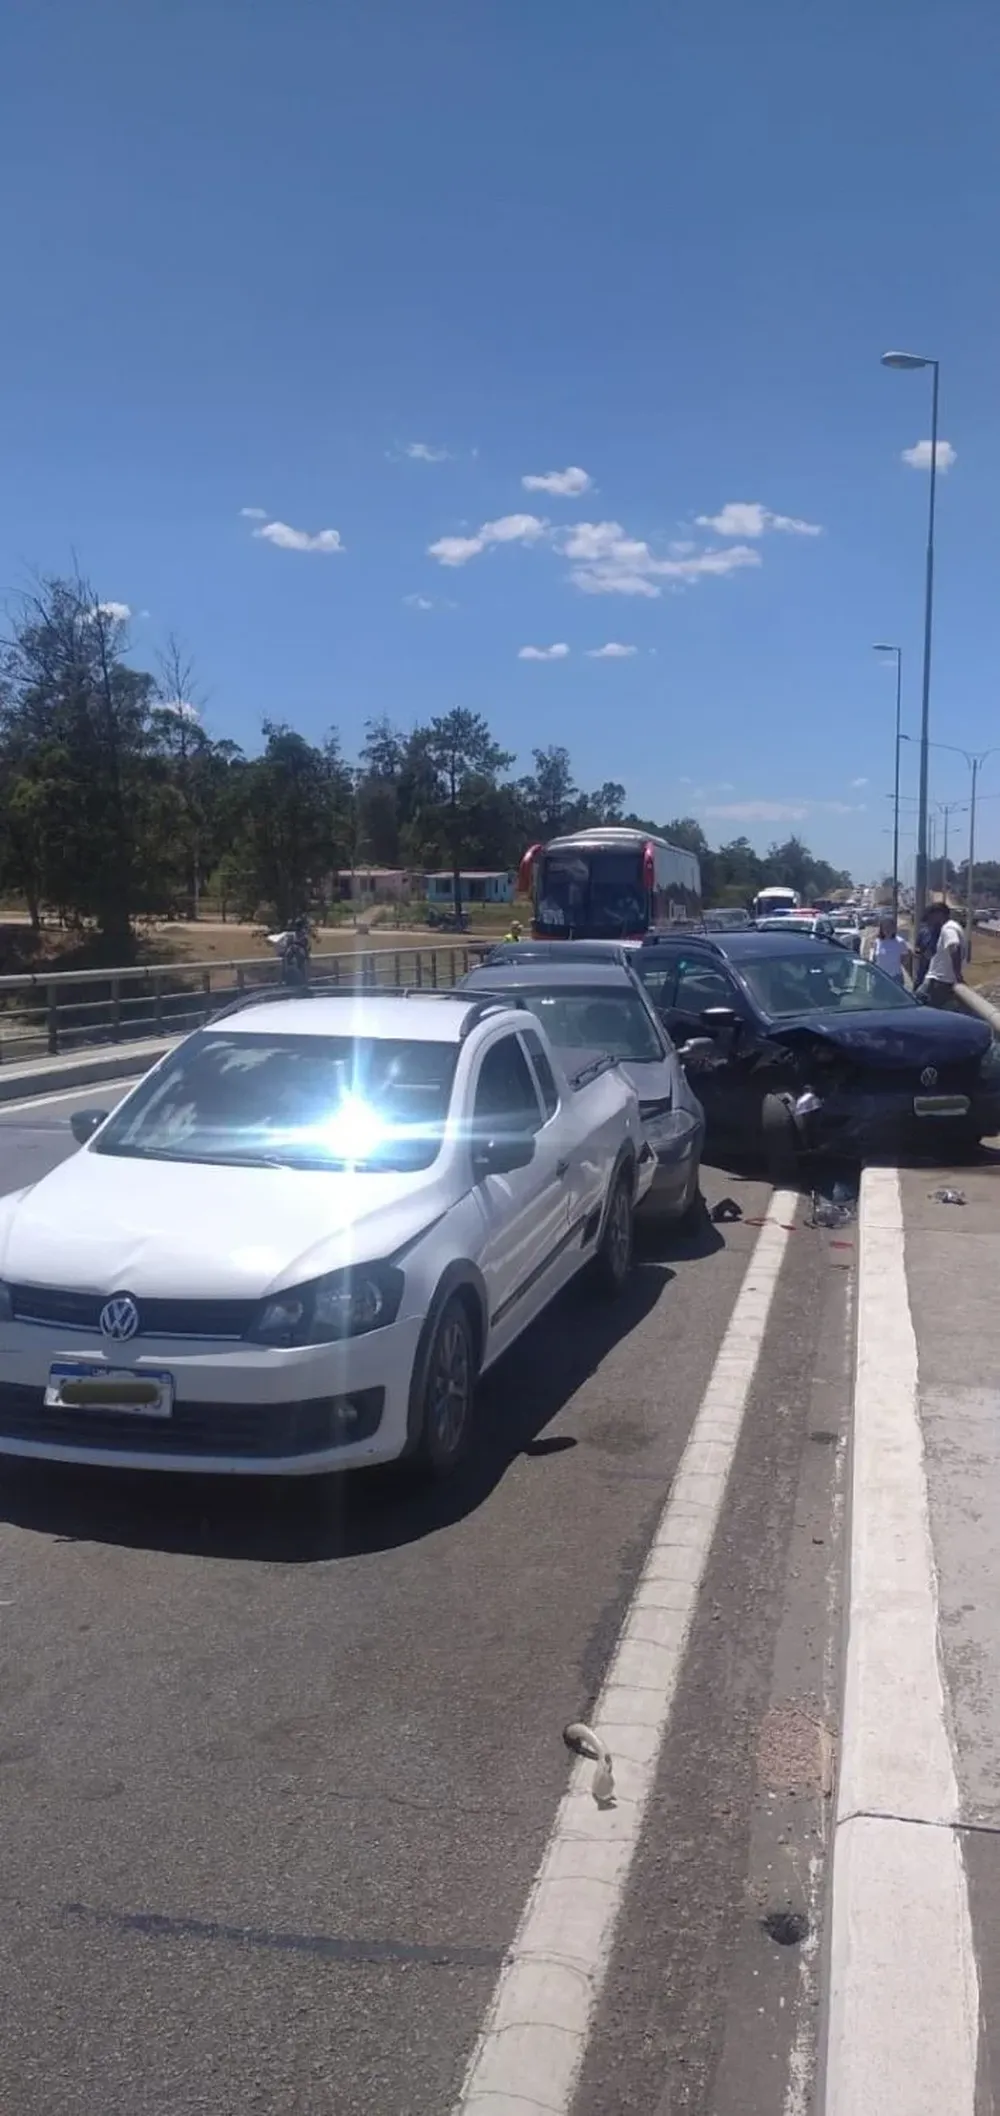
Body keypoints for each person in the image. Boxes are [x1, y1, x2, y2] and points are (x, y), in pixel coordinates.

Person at [917, 900, 964, 1007]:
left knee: (921, 1007)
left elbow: (954, 947)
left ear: (939, 914)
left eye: (931, 916)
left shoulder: (948, 928)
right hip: (940, 979)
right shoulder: (952, 926)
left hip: (939, 980)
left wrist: (958, 975)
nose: (930, 920)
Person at [865, 911, 912, 987]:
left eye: (890, 927)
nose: (887, 930)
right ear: (882, 929)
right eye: (885, 927)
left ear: (894, 929)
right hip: (880, 976)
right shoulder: (877, 942)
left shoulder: (900, 942)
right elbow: (873, 959)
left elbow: (905, 959)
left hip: (895, 977)